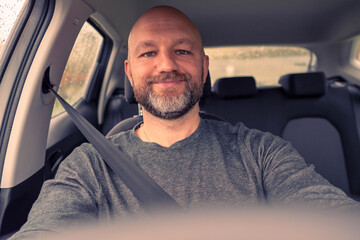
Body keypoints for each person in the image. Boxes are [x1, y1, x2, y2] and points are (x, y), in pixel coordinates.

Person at [10, 5, 360, 240]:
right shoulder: (88, 167)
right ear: (130, 73)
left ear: (204, 68)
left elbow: (328, 212)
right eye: (148, 53)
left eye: (182, 50)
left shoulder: (261, 151)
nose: (166, 65)